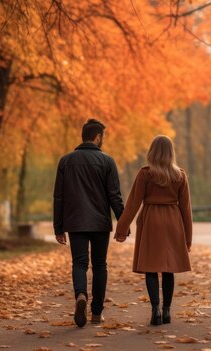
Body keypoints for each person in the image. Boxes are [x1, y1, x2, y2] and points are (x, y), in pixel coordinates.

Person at [53, 118, 126, 328]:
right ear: (98, 137)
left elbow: (59, 196)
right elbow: (115, 196)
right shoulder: (107, 161)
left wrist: (58, 227)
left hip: (75, 222)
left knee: (79, 263)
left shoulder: (65, 161)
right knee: (100, 266)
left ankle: (81, 295)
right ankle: (96, 313)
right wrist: (123, 222)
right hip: (100, 223)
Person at [114, 135, 192, 326]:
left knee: (151, 267)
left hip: (151, 220)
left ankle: (155, 310)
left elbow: (133, 203)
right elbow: (186, 209)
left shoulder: (145, 174)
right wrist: (187, 239)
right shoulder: (179, 175)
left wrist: (121, 229)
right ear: (170, 153)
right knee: (168, 269)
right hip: (173, 221)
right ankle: (167, 311)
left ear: (152, 152)